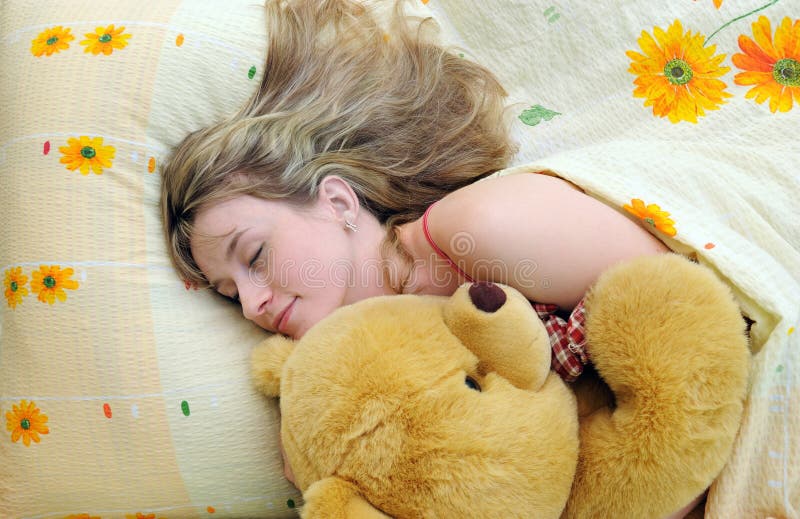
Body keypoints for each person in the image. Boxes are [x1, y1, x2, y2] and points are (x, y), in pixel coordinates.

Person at [160, 1, 699, 516]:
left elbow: (677, 306)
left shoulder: (475, 233)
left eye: (254, 256)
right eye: (229, 293)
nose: (253, 305)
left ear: (338, 201)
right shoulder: (336, 381)